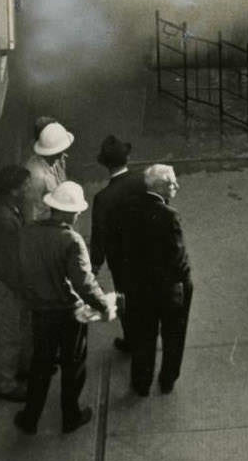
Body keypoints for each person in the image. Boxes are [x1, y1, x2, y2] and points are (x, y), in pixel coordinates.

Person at [13, 180, 114, 435]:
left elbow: (21, 272)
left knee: (41, 364)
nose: (80, 214)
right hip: (70, 313)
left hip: (40, 311)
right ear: (67, 212)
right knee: (73, 365)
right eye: (77, 210)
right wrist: (103, 306)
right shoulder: (71, 240)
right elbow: (84, 283)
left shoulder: (27, 233)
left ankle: (29, 418)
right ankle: (71, 416)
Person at [119, 164, 193, 396]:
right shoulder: (169, 216)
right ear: (161, 188)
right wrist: (185, 280)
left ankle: (142, 382)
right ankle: (168, 377)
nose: (176, 186)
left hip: (140, 288)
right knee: (173, 335)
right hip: (168, 289)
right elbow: (178, 258)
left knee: (144, 336)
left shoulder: (130, 210)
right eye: (172, 183)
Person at [88, 135, 147, 355]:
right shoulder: (143, 181)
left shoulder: (103, 198)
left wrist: (95, 264)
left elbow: (99, 234)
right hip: (147, 250)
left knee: (126, 297)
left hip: (121, 259)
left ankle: (132, 339)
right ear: (128, 157)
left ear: (105, 164)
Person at [0, 164, 30, 401]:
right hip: (4, 285)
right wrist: (22, 286)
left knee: (13, 329)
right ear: (15, 189)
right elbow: (6, 261)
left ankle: (16, 370)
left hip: (5, 282)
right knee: (6, 334)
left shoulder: (4, 208)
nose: (28, 187)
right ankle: (5, 384)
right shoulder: (4, 219)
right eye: (25, 184)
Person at [23, 120, 73, 224]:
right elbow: (32, 212)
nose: (64, 153)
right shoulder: (37, 176)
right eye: (61, 151)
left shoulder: (56, 162)